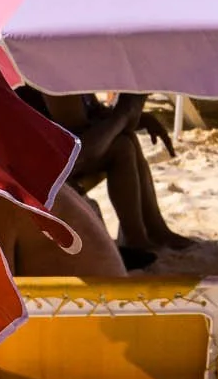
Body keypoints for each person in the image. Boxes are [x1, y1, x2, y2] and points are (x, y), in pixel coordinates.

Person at [21, 89, 190, 268]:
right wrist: (125, 113)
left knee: (126, 138)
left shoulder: (75, 74)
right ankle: (136, 238)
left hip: (54, 157)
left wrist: (135, 116)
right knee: (121, 147)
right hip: (33, 169)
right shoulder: (56, 79)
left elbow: (96, 116)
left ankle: (152, 230)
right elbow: (82, 149)